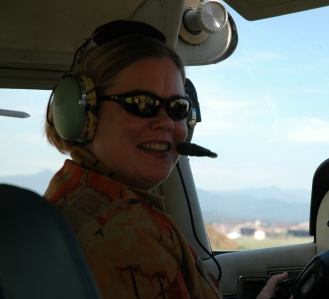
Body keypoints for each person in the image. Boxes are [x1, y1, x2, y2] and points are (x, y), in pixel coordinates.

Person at [44, 20, 289, 299]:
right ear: (84, 113)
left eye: (177, 107)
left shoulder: (75, 189)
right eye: (141, 103)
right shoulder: (127, 232)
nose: (167, 123)